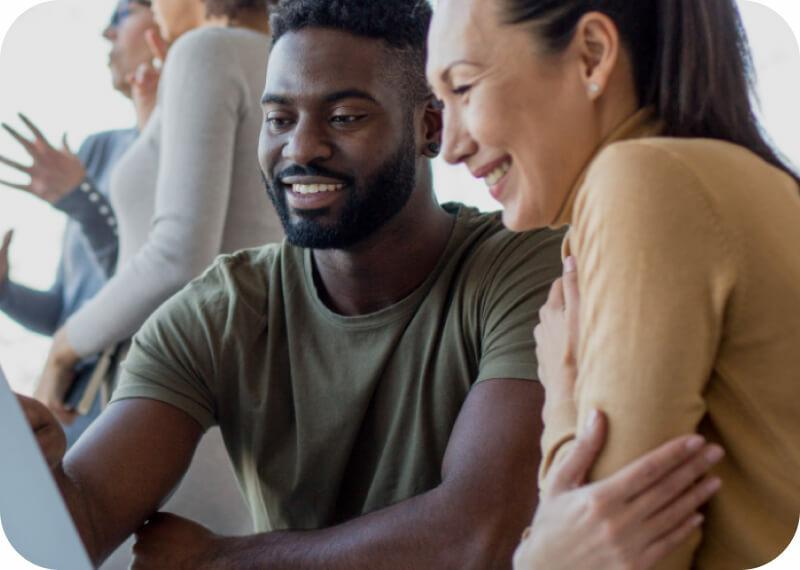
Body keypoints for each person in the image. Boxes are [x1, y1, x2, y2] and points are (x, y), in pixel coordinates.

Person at [17, 1, 721, 568]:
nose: (301, 148)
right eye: (279, 118)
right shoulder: (219, 310)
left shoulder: (523, 266)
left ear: (430, 126)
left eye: (346, 117)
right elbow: (77, 531)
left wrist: (225, 560)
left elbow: (477, 536)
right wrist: (29, 464)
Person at [426, 0, 800, 568]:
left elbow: (608, 547)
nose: (449, 145)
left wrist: (563, 391)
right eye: (439, 101)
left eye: (464, 88)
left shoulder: (640, 180)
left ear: (592, 56)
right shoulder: (745, 182)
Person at [33, 0, 283, 423]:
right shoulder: (285, 57)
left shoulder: (207, 49)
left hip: (172, 395)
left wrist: (62, 348)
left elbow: (177, 257)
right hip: (243, 384)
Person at [0, 0, 159, 445]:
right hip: (69, 407)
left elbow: (153, 283)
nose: (107, 34)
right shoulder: (96, 150)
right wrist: (5, 293)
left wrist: (81, 201)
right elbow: (64, 311)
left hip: (124, 396)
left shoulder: (177, 154)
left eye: (121, 16)